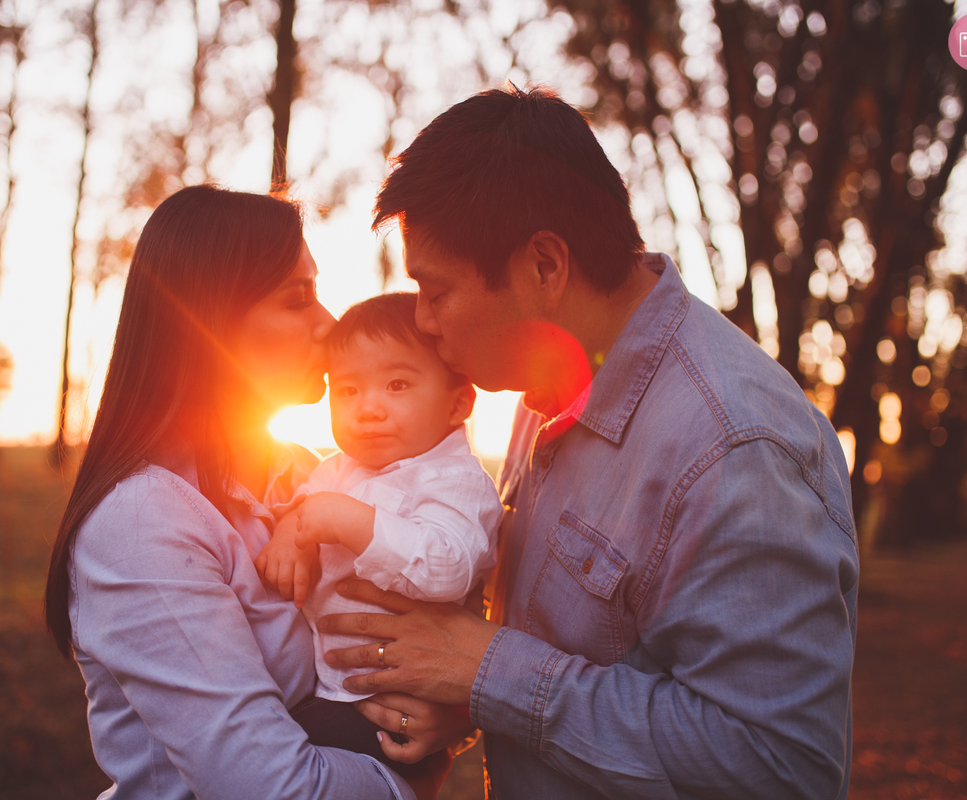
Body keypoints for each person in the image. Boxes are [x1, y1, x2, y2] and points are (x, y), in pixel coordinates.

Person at [317, 86, 859, 800]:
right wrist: (464, 698)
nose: (422, 320)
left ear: (544, 266)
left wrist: (489, 673)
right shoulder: (547, 389)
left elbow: (777, 765)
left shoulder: (734, 449)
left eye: (436, 291)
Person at [43, 185, 466, 799]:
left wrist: (447, 716)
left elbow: (429, 634)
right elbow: (273, 790)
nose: (330, 324)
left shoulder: (314, 477)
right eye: (299, 300)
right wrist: (411, 784)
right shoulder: (143, 520)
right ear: (208, 322)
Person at [253, 292, 502, 771]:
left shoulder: (456, 482)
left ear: (458, 403)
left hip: (398, 705)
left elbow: (447, 567)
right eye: (348, 390)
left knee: (282, 765)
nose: (368, 408)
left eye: (397, 384)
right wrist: (288, 537)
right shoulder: (337, 468)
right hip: (330, 689)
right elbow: (304, 507)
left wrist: (352, 522)